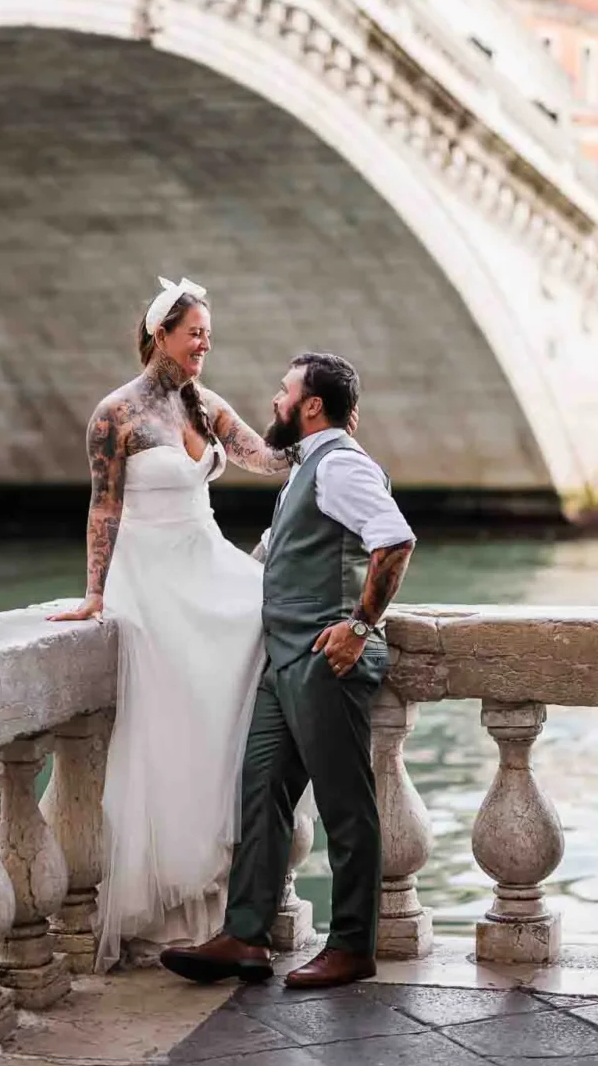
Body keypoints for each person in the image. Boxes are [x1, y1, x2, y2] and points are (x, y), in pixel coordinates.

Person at [47, 276, 296, 971]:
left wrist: (317, 435)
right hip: (151, 583)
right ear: (162, 334)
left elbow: (266, 460)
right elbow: (103, 507)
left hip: (207, 566)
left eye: (209, 338)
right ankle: (176, 907)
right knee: (175, 725)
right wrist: (94, 595)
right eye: (195, 335)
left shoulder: (204, 405)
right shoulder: (114, 414)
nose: (204, 347)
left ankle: (221, 900)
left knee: (260, 642)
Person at [160, 350, 416, 990]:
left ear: (310, 406)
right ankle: (244, 937)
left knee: (344, 804)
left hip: (324, 659)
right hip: (285, 658)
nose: (274, 400)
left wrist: (358, 628)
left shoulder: (342, 467)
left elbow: (395, 539)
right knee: (262, 790)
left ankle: (353, 944)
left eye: (283, 391)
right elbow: (271, 560)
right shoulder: (308, 468)